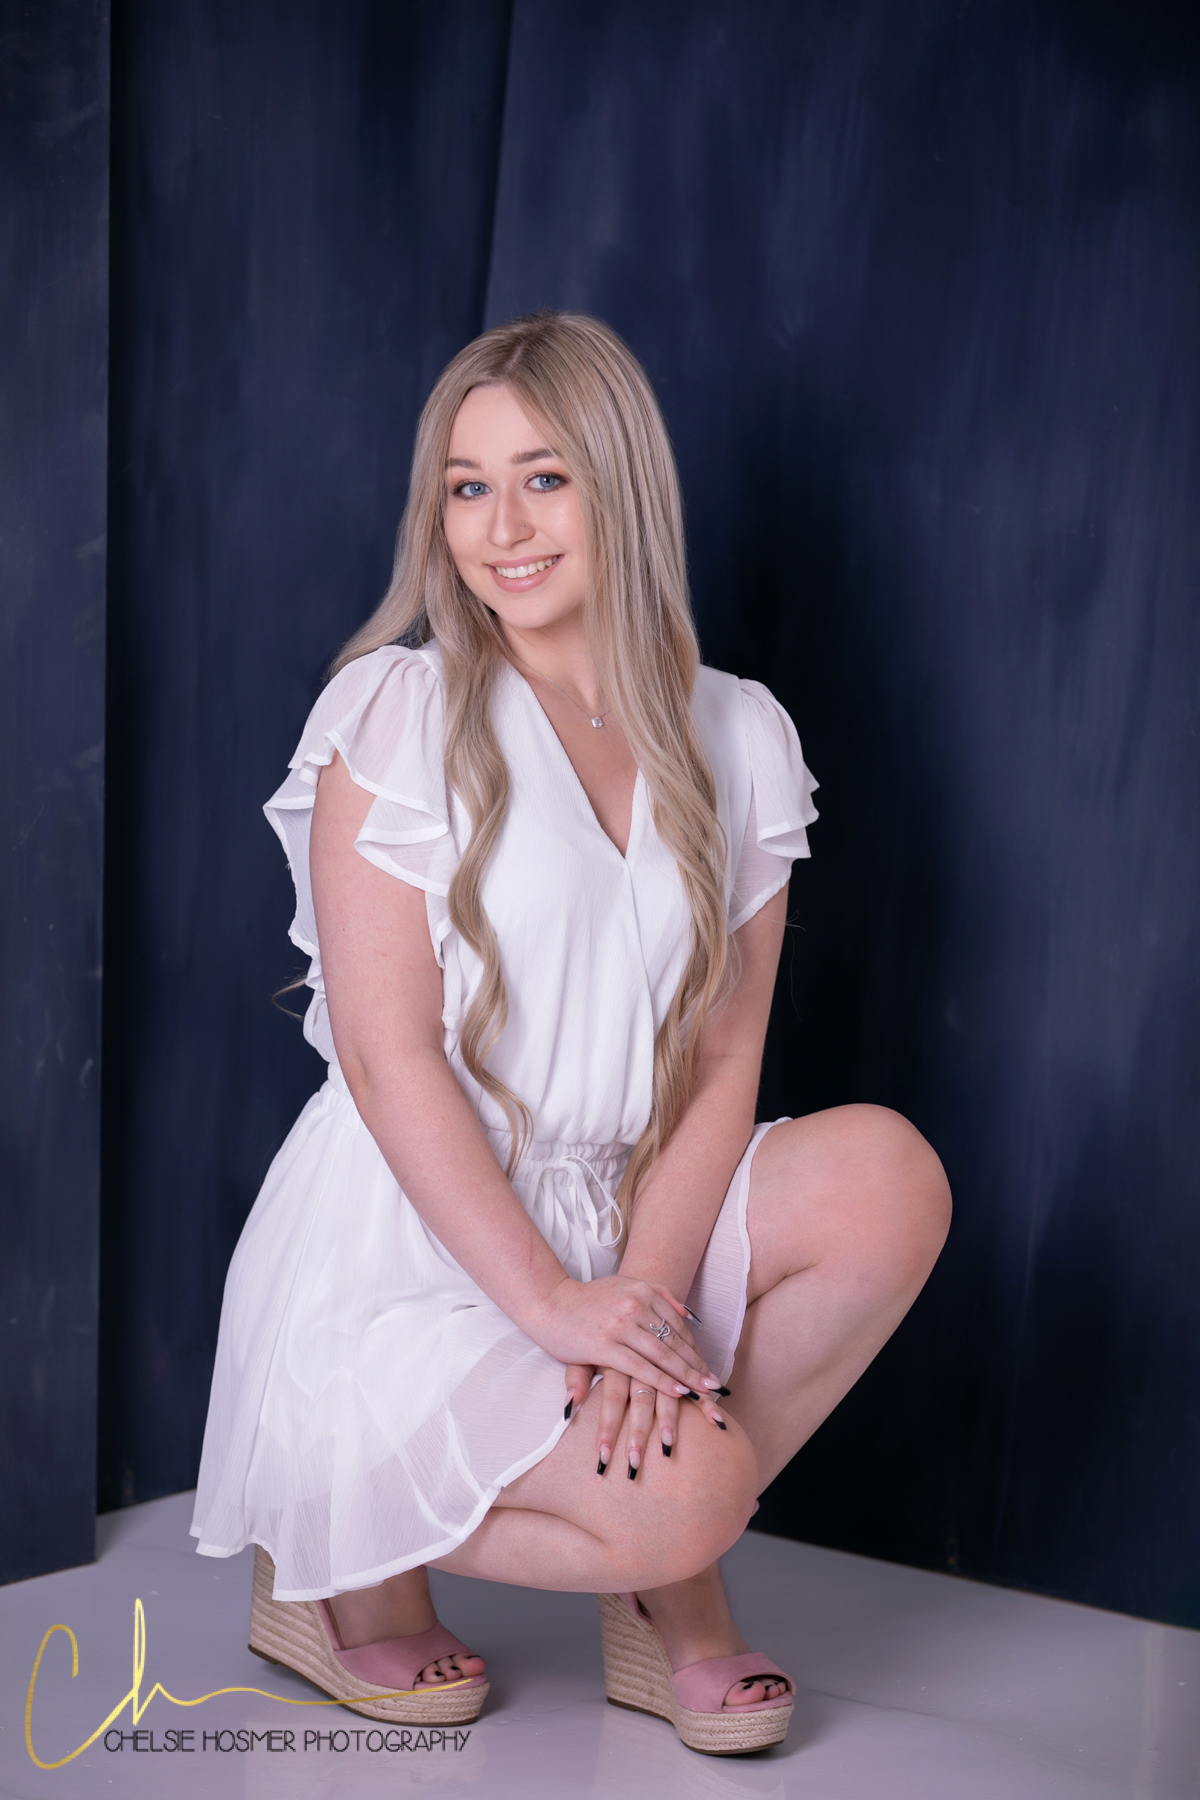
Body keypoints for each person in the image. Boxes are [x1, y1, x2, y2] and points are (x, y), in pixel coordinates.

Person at [191, 310, 951, 1757]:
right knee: (688, 1494)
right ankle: (340, 1554)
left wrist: (642, 1304)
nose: (502, 528)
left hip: (628, 1205)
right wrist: (551, 1306)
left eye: (544, 478)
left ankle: (656, 1546)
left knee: (886, 1179)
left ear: (621, 487)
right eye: (466, 488)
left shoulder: (739, 734)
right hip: (416, 1237)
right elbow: (389, 1056)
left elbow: (722, 1061)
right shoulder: (398, 709)